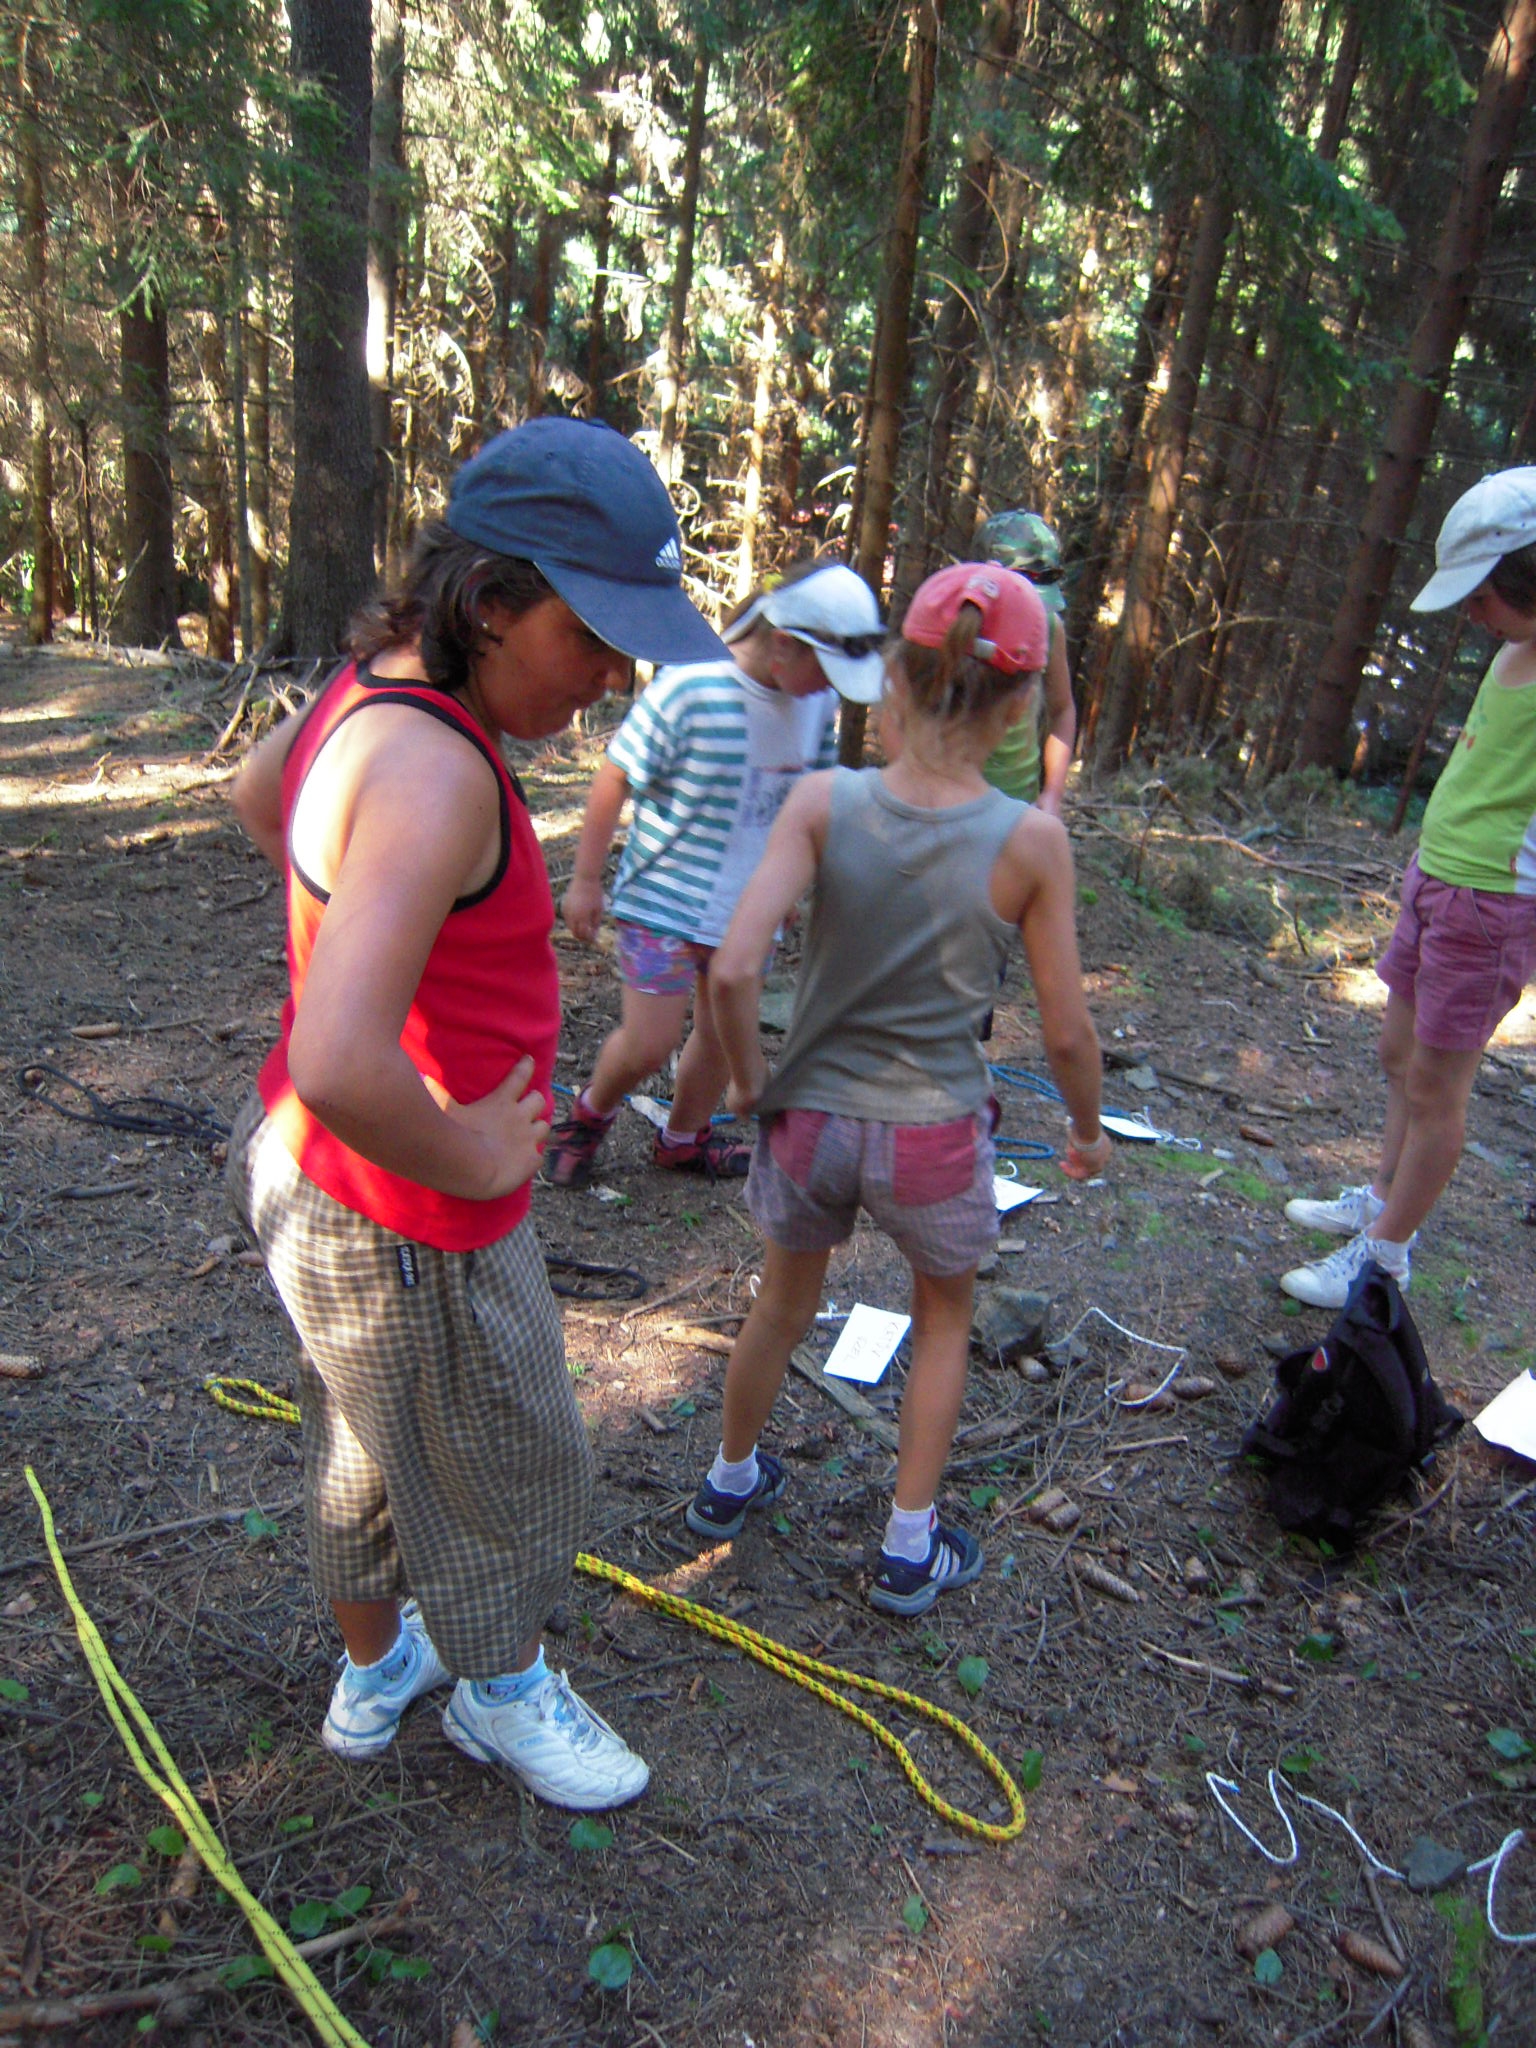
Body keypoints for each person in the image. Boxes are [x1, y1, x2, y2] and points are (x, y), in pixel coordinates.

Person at [227, 417, 726, 1808]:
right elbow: (341, 1055)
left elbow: (259, 792)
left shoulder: (371, 686)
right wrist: (472, 1147)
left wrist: (370, 924)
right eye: (593, 637)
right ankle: (499, 1693)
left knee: (364, 1438)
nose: (616, 676)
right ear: (492, 601)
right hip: (409, 1209)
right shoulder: (440, 770)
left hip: (316, 1177)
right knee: (512, 1452)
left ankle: (378, 1664)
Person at [683, 564, 1110, 1616]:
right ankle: (907, 1549)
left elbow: (733, 970)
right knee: (944, 1322)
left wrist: (750, 1083)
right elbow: (1065, 1029)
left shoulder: (824, 801)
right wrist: (1088, 1129)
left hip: (810, 1120)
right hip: (933, 1133)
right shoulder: (1032, 842)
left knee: (782, 1305)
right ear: (1022, 707)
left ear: (896, 681)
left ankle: (728, 1481)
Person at [541, 560, 885, 1189]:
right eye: (826, 671)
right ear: (783, 644)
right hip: (663, 902)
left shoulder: (816, 705)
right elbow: (617, 774)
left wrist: (792, 884)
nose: (828, 688)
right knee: (649, 1042)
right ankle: (587, 1117)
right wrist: (586, 880)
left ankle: (683, 1139)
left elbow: (810, 797)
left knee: (724, 1036)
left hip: (747, 909)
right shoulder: (691, 686)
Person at [1281, 467, 1536, 1310]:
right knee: (1398, 1053)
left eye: (1482, 594)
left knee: (1436, 1087)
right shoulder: (1513, 648)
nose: (1472, 612)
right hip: (1438, 880)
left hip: (1492, 903)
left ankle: (1385, 1258)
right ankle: (1380, 1199)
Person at [973, 510, 1077, 817]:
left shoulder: (1049, 627)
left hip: (1019, 804)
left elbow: (1063, 709)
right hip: (951, 804)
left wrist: (1053, 794)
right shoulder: (953, 621)